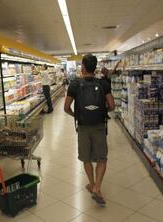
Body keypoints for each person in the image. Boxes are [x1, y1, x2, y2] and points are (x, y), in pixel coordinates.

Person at [64, 54, 115, 206]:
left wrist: (76, 115)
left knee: (86, 158)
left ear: (83, 68)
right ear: (95, 67)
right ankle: (97, 187)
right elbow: (112, 106)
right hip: (99, 126)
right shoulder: (103, 83)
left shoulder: (74, 84)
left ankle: (92, 185)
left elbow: (66, 108)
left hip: (83, 127)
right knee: (102, 158)